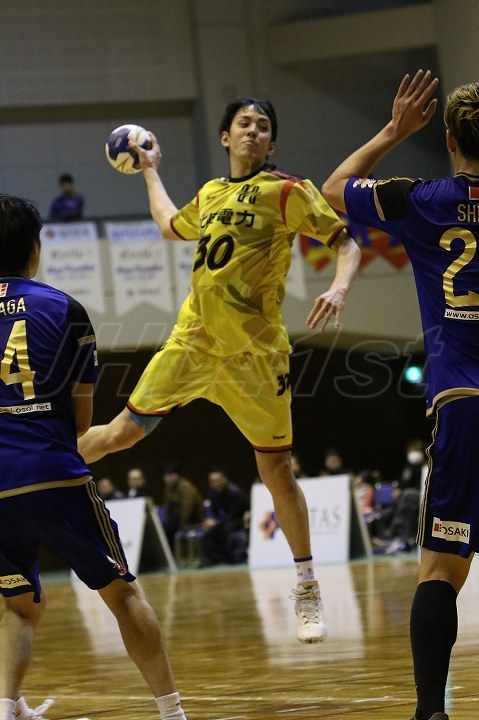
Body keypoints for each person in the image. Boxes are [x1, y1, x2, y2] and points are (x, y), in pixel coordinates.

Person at [78, 96, 361, 643]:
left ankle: (307, 586)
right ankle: (24, 469)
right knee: (118, 434)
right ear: (226, 138)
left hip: (256, 355)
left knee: (277, 471)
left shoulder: (287, 190)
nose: (253, 131)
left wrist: (339, 288)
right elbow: (169, 226)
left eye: (263, 126)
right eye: (243, 124)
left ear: (271, 142)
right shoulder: (210, 193)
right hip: (194, 343)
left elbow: (346, 244)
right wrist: (150, 170)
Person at [320, 68, 479, 720]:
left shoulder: (421, 199)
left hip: (462, 404)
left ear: (448, 139)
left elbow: (333, 190)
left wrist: (392, 130)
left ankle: (430, 713)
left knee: (441, 569)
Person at [0, 195, 189, 720]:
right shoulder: (64, 309)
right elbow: (81, 421)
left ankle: (6, 708)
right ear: (34, 250)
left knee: (17, 607)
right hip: (52, 472)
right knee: (122, 594)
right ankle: (172, 713)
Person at [201, 467, 250, 566]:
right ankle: (212, 559)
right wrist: (209, 520)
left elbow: (234, 513)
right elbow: (213, 511)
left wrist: (216, 522)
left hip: (239, 520)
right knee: (208, 532)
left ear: (224, 479)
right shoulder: (212, 493)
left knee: (226, 528)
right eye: (213, 481)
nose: (216, 484)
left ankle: (232, 558)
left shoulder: (235, 492)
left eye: (218, 480)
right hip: (223, 521)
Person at [385, 439, 426, 555]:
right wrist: (398, 489)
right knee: (403, 506)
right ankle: (398, 538)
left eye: (416, 450)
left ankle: (399, 538)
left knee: (408, 496)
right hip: (408, 500)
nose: (414, 453)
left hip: (422, 497)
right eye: (412, 451)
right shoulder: (408, 467)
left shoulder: (426, 466)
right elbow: (403, 482)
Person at [161, 463, 204, 552]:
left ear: (177, 475)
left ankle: (171, 554)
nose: (168, 478)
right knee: (162, 529)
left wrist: (182, 525)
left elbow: (187, 509)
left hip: (192, 520)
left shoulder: (186, 487)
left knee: (168, 530)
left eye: (170, 475)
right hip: (176, 520)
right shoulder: (168, 489)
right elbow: (167, 508)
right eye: (166, 476)